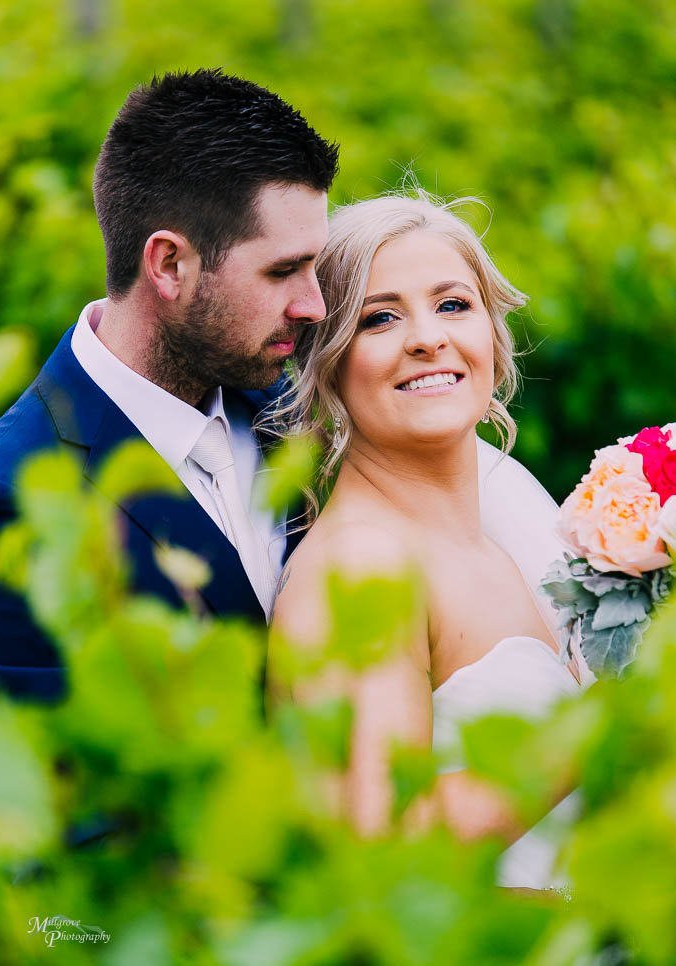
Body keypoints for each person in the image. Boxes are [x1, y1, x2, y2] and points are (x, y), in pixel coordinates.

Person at [271, 191, 593, 890]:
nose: (427, 337)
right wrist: (597, 732)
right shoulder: (361, 566)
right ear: (326, 360)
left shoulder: (505, 523)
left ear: (491, 335)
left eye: (453, 305)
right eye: (379, 317)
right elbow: (381, 859)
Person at [0, 68, 338, 702]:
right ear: (169, 264)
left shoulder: (300, 410)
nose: (313, 305)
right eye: (283, 270)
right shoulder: (12, 500)